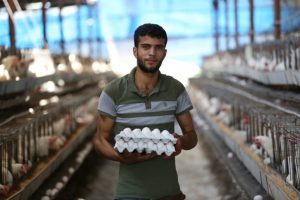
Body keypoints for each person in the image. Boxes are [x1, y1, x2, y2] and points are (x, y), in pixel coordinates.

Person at [94, 23, 198, 200]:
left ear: (164, 53)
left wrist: (181, 141)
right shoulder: (114, 92)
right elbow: (99, 140)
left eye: (158, 48)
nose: (152, 53)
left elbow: (192, 136)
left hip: (169, 192)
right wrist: (121, 158)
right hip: (129, 193)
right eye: (145, 47)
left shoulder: (175, 89)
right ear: (135, 51)